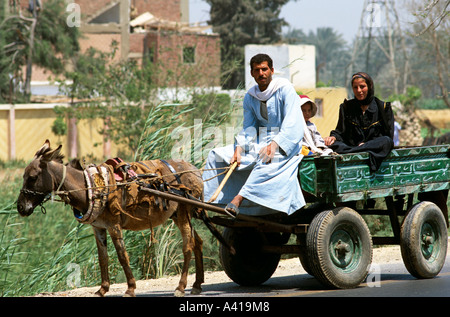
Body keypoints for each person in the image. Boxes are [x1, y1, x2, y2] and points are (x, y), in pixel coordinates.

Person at [202, 53, 306, 216]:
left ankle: (238, 200)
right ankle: (208, 202)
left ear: (272, 70)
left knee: (264, 160)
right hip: (261, 140)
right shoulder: (250, 96)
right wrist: (239, 149)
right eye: (257, 70)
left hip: (286, 142)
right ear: (252, 73)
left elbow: (293, 123)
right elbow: (249, 128)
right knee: (216, 155)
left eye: (264, 69)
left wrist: (275, 145)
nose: (261, 73)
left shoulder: (284, 89)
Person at [324, 72, 394, 171]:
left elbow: (388, 136)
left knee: (386, 141)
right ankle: (358, 150)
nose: (359, 90)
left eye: (362, 87)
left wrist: (367, 144)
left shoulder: (383, 107)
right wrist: (333, 137)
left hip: (372, 146)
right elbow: (341, 131)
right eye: (355, 87)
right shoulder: (346, 107)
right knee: (332, 146)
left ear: (370, 86)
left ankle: (357, 150)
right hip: (352, 146)